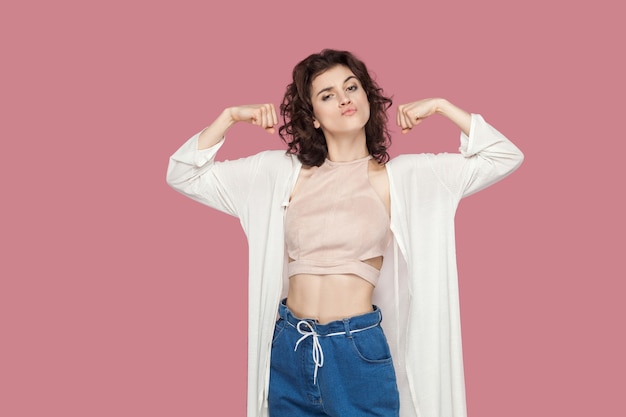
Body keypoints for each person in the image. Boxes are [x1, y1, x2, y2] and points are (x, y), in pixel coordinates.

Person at [166, 49, 523, 417]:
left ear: (367, 96)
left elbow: (503, 156)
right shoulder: (281, 175)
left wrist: (443, 107)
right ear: (314, 118)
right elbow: (183, 174)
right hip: (291, 346)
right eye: (327, 95)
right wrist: (228, 117)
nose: (344, 98)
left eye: (351, 87)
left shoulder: (401, 178)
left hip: (356, 354)